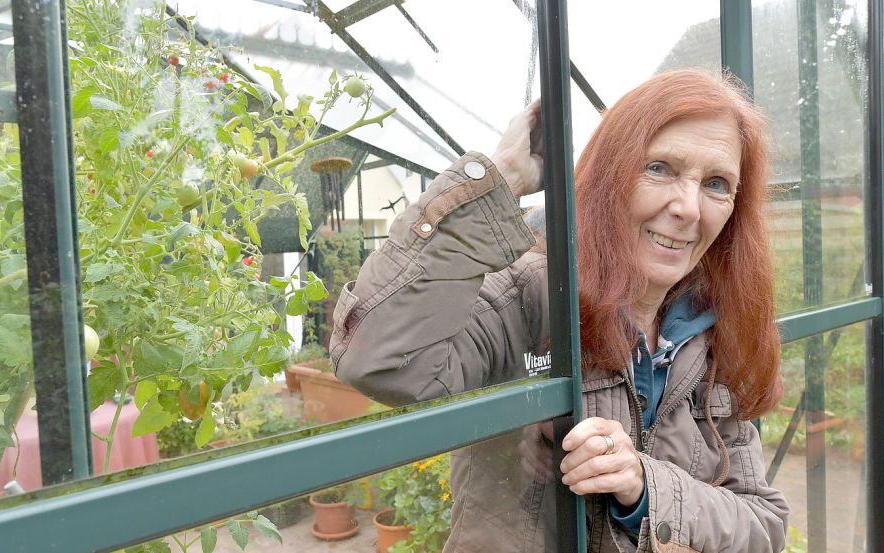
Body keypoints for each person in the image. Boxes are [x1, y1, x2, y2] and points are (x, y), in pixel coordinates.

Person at [329, 69, 789, 552]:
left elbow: (762, 527)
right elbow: (378, 360)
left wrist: (645, 486)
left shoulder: (712, 333)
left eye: (716, 183)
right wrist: (500, 178)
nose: (689, 209)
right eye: (659, 169)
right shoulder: (530, 298)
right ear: (610, 175)